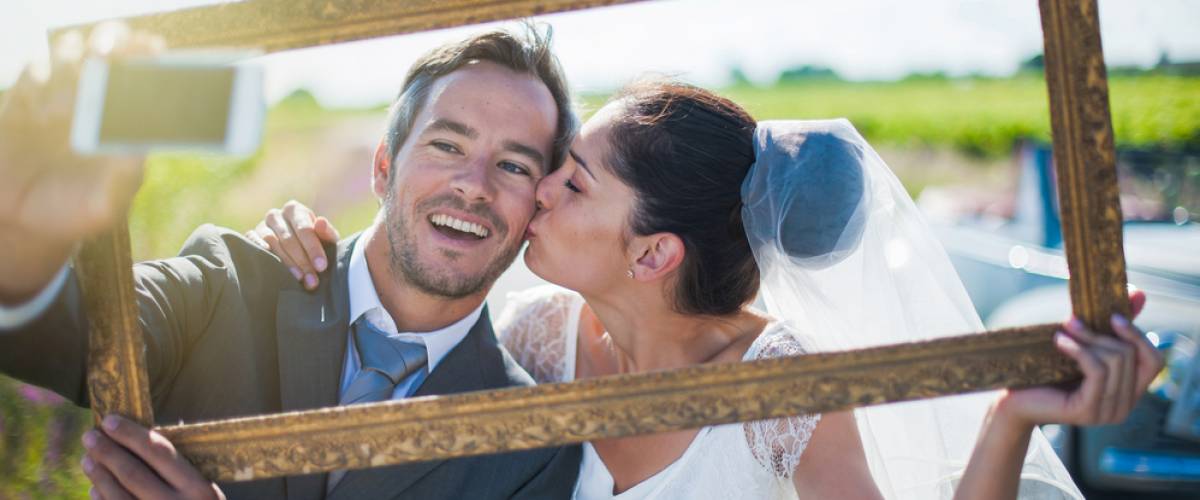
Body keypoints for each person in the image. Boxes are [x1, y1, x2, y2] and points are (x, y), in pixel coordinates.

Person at [257, 81, 1163, 499]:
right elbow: (390, 345)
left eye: (572, 184)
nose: (536, 190)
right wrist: (303, 251)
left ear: (653, 254)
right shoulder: (536, 331)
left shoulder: (782, 390)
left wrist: (1010, 416)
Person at [0, 24, 582, 499]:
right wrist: (23, 231)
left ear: (539, 204)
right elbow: (59, 330)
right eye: (447, 145)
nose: (474, 186)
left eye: (513, 166)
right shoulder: (229, 280)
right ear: (383, 167)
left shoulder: (532, 452)